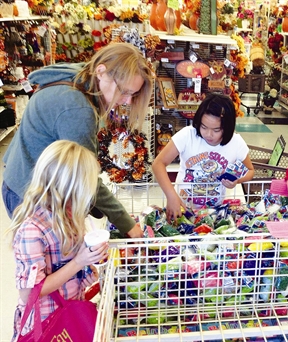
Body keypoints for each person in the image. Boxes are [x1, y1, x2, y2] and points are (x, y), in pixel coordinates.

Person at [2, 42, 154, 238]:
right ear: (101, 71)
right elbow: (85, 177)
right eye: (124, 91)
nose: (127, 101)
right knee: (43, 264)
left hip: (20, 179)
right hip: (31, 196)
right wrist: (127, 224)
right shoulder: (77, 108)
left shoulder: (76, 77)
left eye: (133, 94)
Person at [9, 140, 108, 340]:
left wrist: (89, 267)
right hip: (45, 324)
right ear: (68, 186)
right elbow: (29, 294)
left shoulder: (71, 217)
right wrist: (78, 262)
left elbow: (70, 268)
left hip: (70, 313)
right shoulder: (33, 230)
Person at [152, 93, 255, 221]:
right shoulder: (187, 135)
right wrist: (171, 196)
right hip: (182, 207)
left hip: (214, 213)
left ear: (227, 127)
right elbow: (158, 164)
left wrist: (236, 181)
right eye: (203, 127)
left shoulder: (236, 142)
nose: (208, 134)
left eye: (216, 130)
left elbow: (250, 170)